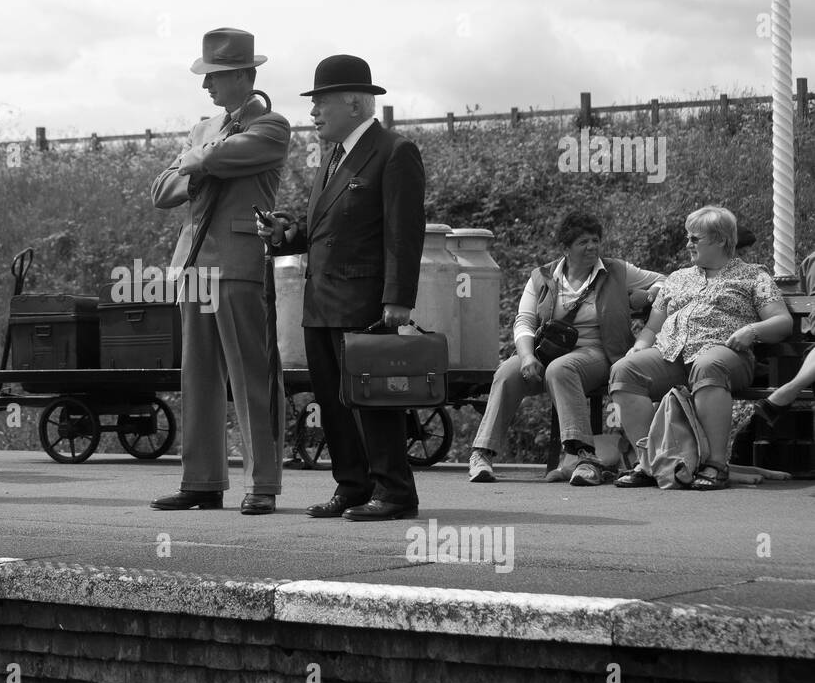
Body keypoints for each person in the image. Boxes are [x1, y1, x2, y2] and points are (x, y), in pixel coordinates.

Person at [258, 54, 425, 521]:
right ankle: (352, 486)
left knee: (373, 401)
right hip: (321, 303)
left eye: (320, 103)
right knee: (332, 402)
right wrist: (286, 236)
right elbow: (322, 229)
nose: (312, 114)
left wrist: (398, 299)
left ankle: (395, 493)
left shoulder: (394, 151)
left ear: (353, 102)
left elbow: (404, 233)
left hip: (366, 304)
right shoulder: (333, 158)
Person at [148, 27, 289, 516]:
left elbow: (229, 157)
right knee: (198, 377)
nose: (206, 86)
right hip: (194, 265)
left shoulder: (271, 126)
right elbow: (161, 190)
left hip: (237, 263)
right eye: (206, 76)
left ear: (246, 76)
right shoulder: (202, 130)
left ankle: (263, 483)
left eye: (216, 76)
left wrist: (196, 164)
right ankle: (202, 481)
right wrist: (197, 167)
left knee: (251, 374)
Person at [467, 211, 665, 485]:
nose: (592, 247)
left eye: (595, 240)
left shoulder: (617, 270)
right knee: (507, 372)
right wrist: (525, 356)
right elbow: (524, 320)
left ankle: (584, 457)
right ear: (566, 248)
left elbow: (667, 281)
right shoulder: (542, 276)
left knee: (561, 369)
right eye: (583, 242)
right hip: (547, 352)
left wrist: (649, 293)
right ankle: (482, 454)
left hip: (599, 352)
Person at [609, 206, 791, 490]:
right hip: (671, 353)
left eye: (695, 238)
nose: (688, 244)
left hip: (724, 353)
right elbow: (652, 328)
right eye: (688, 237)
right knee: (624, 371)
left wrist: (751, 330)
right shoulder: (677, 278)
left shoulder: (753, 276)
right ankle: (650, 463)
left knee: (709, 365)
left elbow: (782, 321)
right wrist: (639, 347)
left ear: (719, 240)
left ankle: (715, 465)